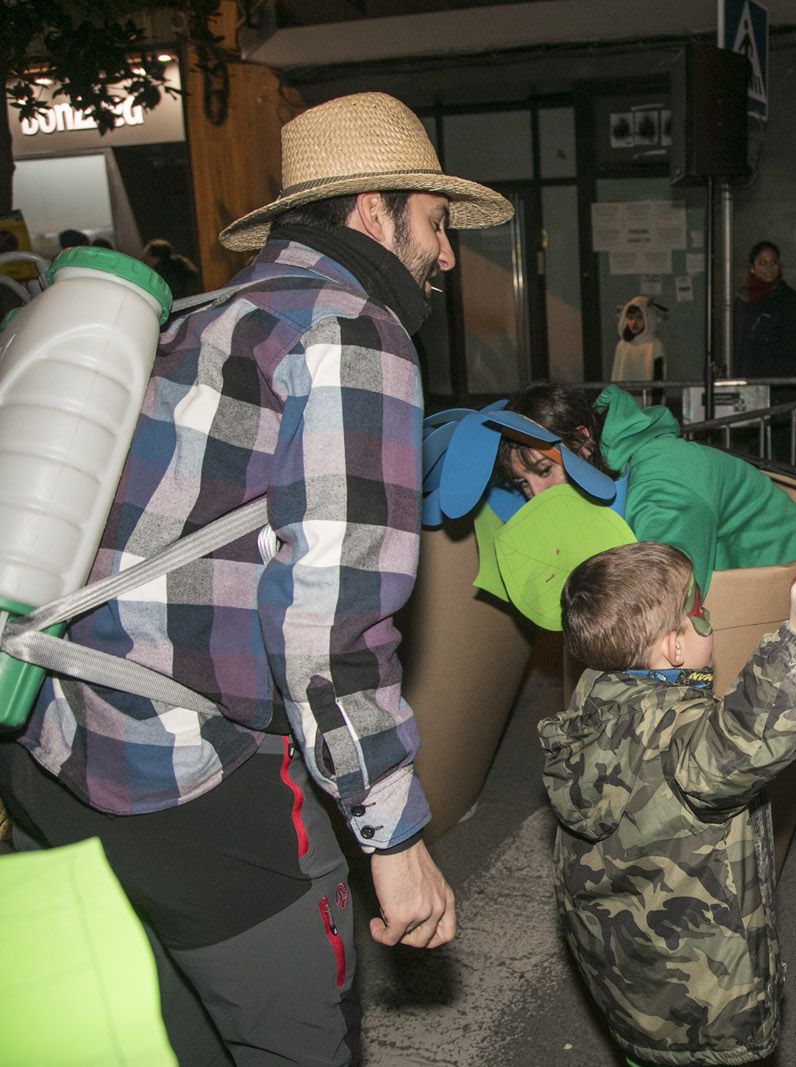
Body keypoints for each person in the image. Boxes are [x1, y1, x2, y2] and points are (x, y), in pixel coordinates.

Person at [0, 91, 512, 1064]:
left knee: (153, 1040)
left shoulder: (199, 315)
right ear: (373, 208)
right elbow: (330, 626)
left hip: (51, 754)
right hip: (192, 789)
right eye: (437, 224)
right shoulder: (353, 335)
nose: (447, 256)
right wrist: (394, 842)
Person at [540, 542, 796, 1066]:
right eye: (698, 611)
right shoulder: (680, 740)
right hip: (703, 1000)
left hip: (629, 979)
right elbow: (745, 740)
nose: (709, 619)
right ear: (674, 648)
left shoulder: (596, 696)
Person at [498, 382, 796, 595]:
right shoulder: (612, 468)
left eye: (545, 470)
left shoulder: (662, 471)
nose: (537, 496)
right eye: (524, 482)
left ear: (582, 442)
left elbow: (665, 594)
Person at [731, 240, 796, 379]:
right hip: (746, 380)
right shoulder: (743, 299)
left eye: (774, 262)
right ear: (752, 267)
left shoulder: (788, 300)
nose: (769, 268)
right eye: (763, 263)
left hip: (778, 384)